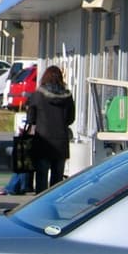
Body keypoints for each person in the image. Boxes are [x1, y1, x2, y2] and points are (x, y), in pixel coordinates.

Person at [26, 65, 76, 193]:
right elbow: (71, 119)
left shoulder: (38, 95)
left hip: (43, 141)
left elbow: (31, 119)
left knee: (41, 177)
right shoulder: (68, 96)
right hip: (61, 142)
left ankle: (40, 204)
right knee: (57, 179)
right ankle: (53, 205)